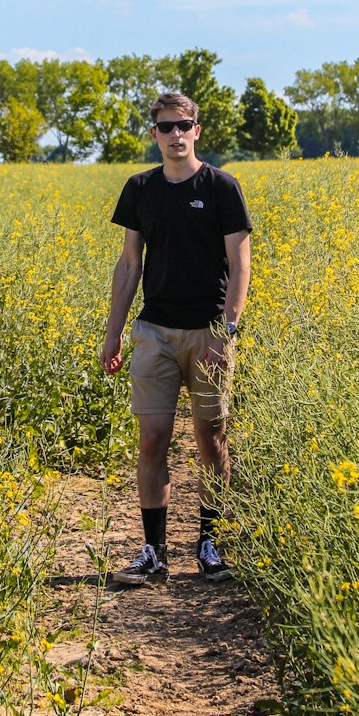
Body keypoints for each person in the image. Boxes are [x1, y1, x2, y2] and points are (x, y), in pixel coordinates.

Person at [101, 91, 252, 585]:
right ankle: (153, 552)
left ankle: (210, 544)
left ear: (196, 130)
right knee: (152, 439)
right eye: (165, 127)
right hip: (154, 333)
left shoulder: (223, 187)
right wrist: (114, 333)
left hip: (208, 332)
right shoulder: (140, 189)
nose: (174, 135)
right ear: (154, 134)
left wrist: (226, 331)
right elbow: (129, 265)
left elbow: (240, 264)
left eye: (183, 125)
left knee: (211, 439)